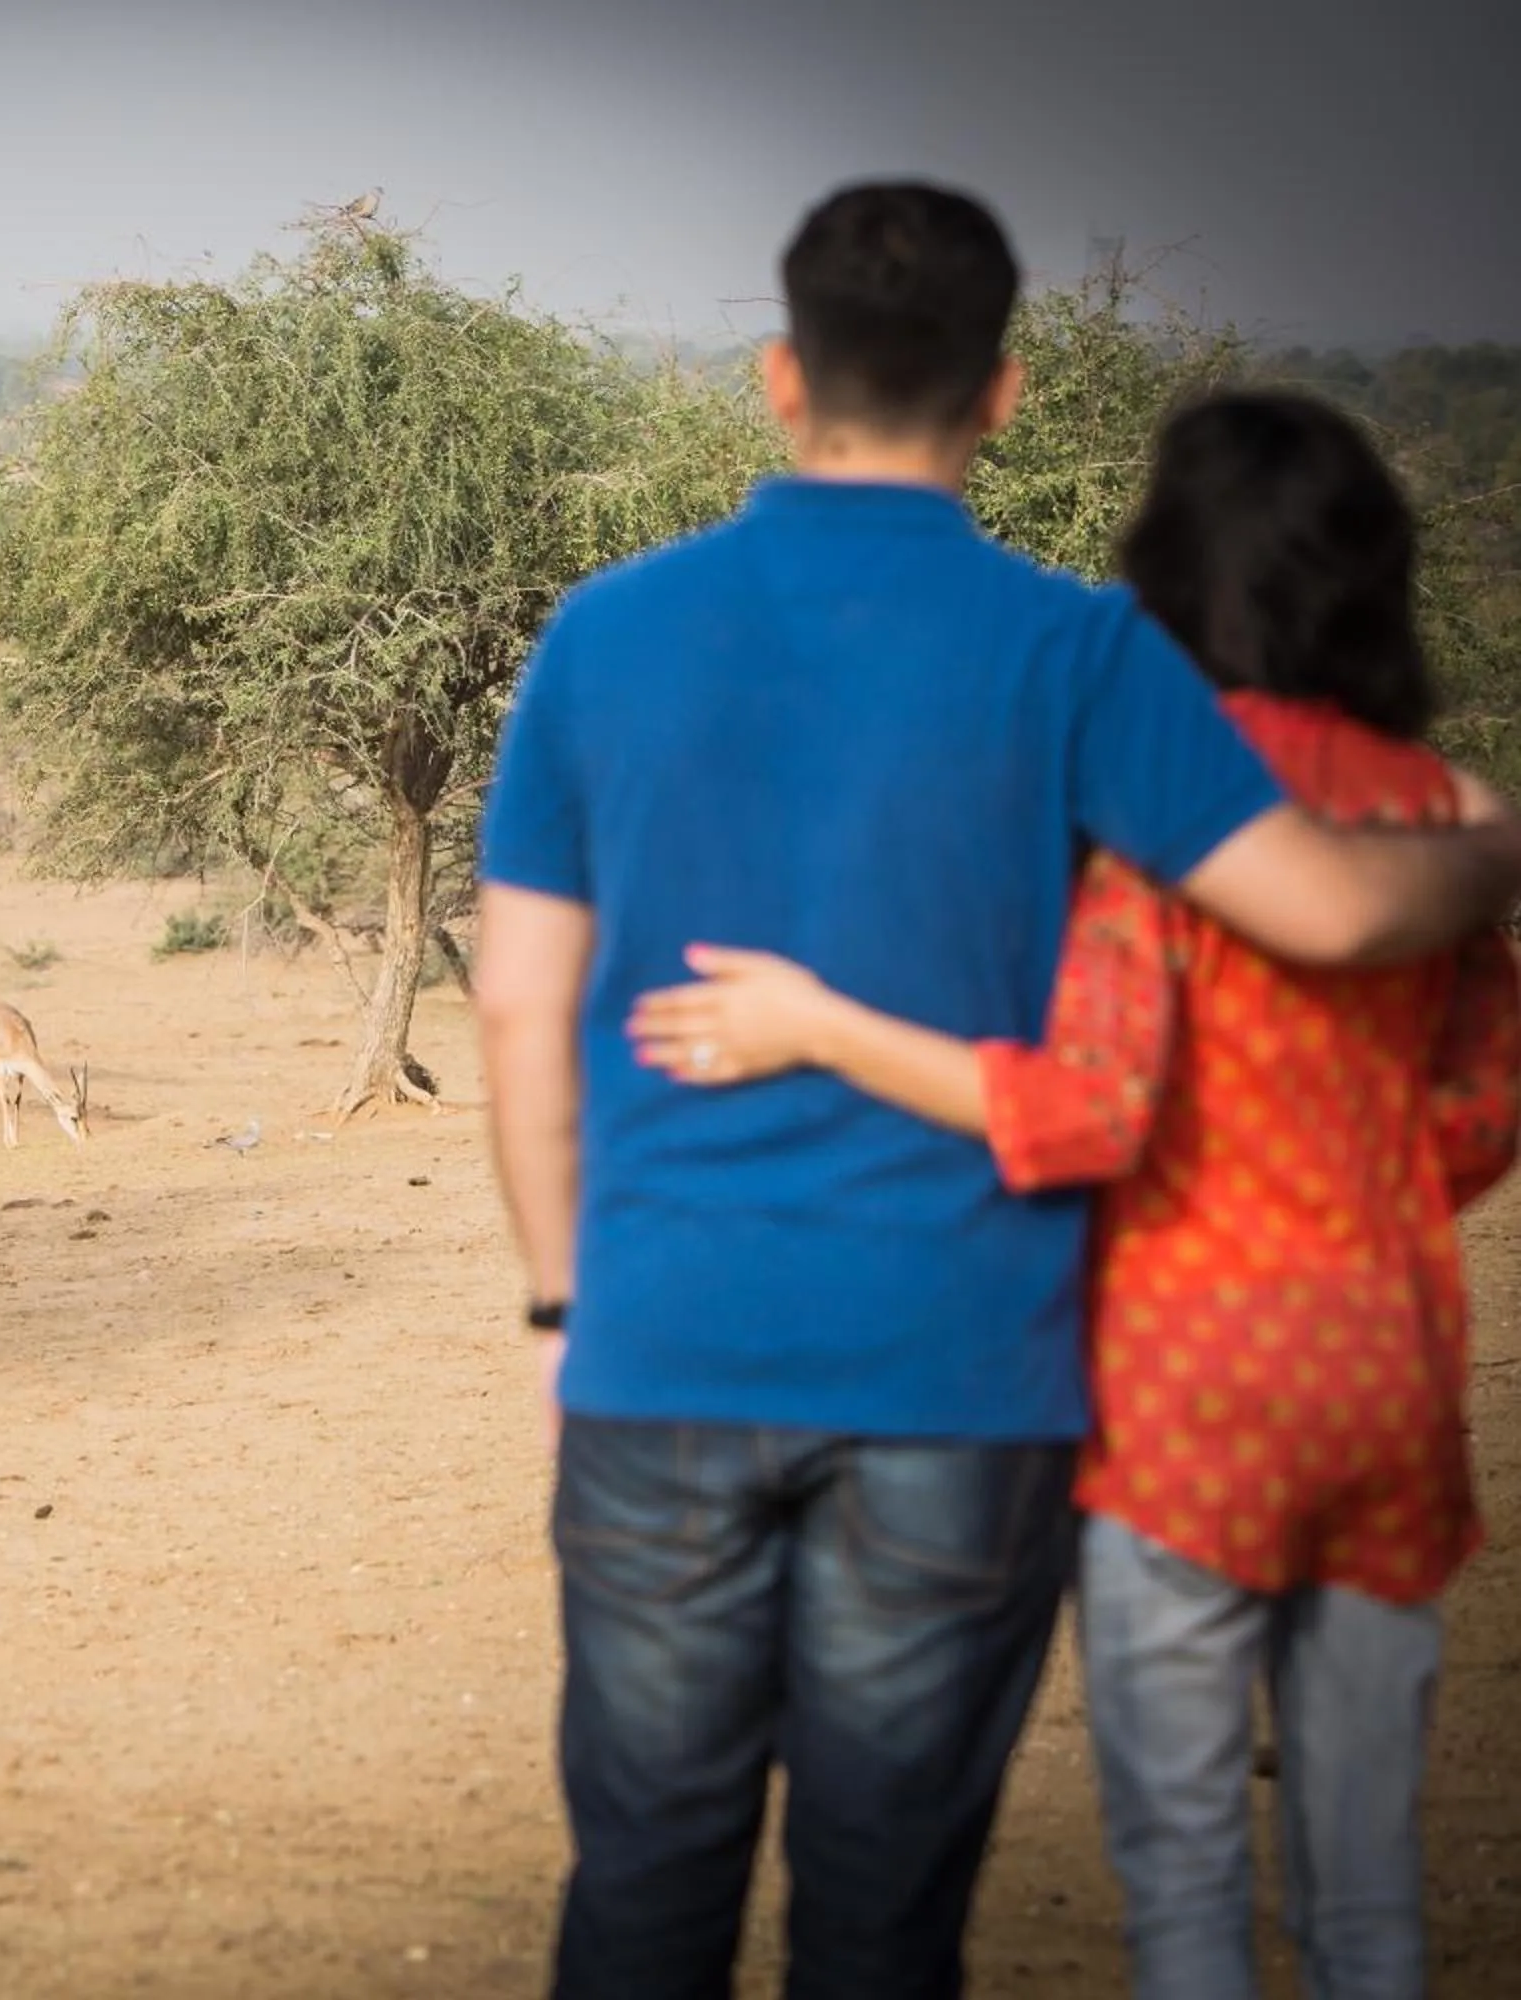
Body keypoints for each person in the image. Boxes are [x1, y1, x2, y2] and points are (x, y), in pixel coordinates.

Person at [471, 181, 1521, 2000]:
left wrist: (566, 1293)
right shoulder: (1078, 651)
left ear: (779, 377)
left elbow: (515, 1009)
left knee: (643, 1889)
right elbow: (1339, 906)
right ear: (1006, 392)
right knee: (885, 1923)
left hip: (666, 1349)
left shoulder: (603, 634)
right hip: (964, 1385)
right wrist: (1498, 841)